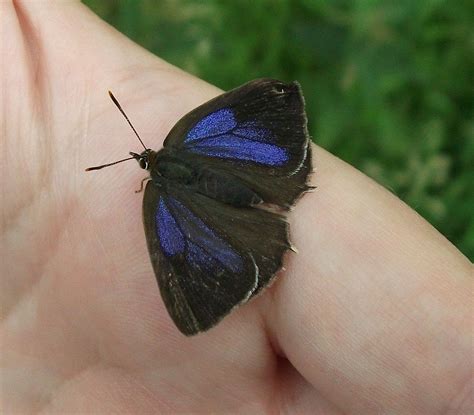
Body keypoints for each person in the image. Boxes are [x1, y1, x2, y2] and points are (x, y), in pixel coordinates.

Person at [2, 2, 471, 413]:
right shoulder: (186, 137)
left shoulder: (158, 201)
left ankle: (259, 237)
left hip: (236, 206)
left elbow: (271, 101)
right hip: (262, 171)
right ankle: (272, 203)